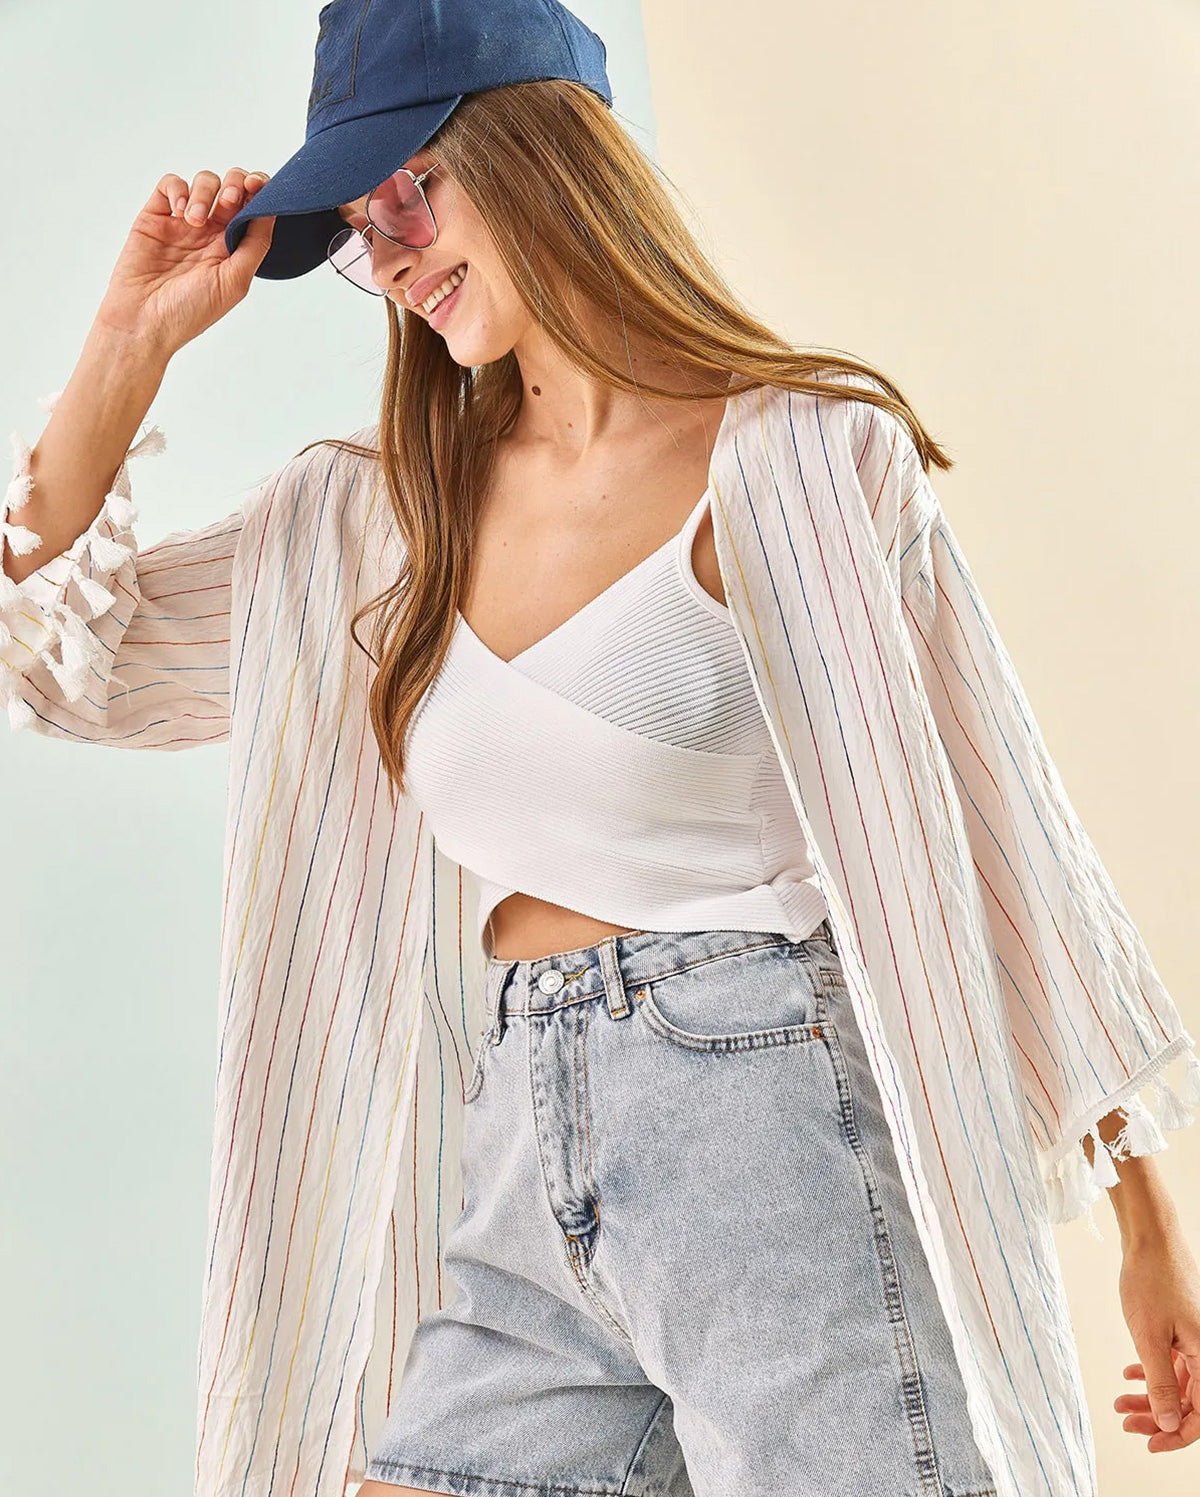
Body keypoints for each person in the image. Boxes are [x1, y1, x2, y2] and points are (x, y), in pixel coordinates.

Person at [3, 3, 1198, 1496]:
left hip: (768, 1103)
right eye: (359, 231)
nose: (389, 257)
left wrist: (1147, 1219)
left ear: (543, 151)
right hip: (523, 1126)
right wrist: (130, 342)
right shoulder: (367, 527)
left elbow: (998, 821)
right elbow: (66, 660)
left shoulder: (802, 461)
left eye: (408, 191)